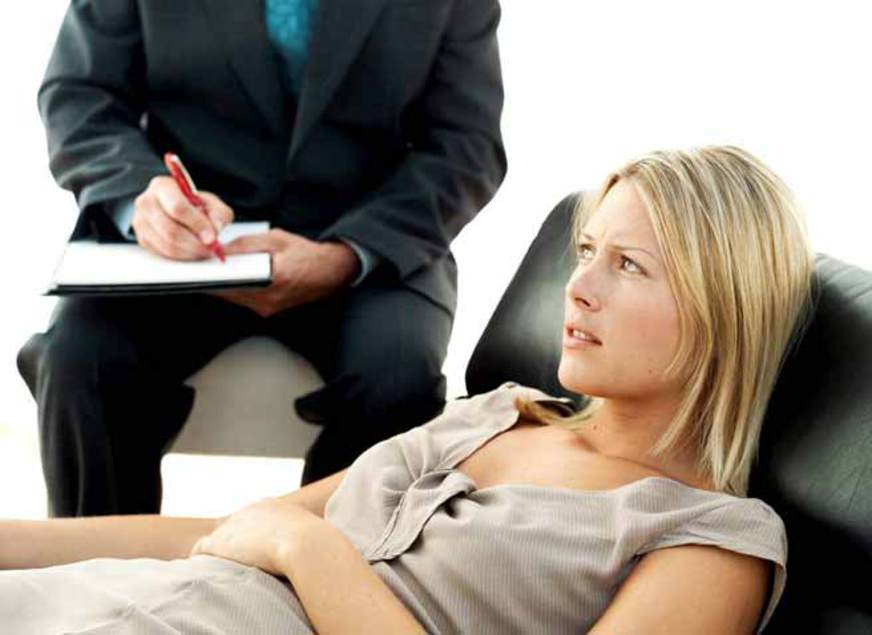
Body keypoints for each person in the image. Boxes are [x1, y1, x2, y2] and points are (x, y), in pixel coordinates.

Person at [0, 146, 815, 633]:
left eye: (628, 265)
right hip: (131, 600)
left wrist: (310, 550)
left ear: (723, 308)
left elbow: (285, 534)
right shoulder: (499, 417)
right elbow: (224, 532)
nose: (578, 287)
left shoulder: (709, 541)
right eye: (587, 251)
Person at [16, 0, 507, 517]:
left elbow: (466, 144)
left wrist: (347, 255)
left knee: (397, 376)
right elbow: (81, 95)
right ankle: (98, 563)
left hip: (371, 245)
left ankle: (323, 562)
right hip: (188, 238)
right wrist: (142, 196)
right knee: (79, 359)